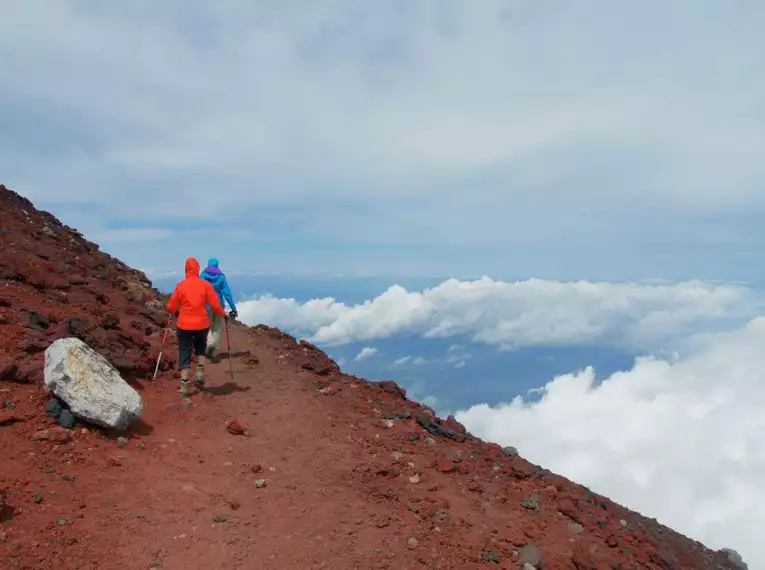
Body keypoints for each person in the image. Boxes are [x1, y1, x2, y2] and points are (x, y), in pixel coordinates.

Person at [166, 257, 227, 397]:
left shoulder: (181, 285)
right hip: (202, 324)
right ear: (198, 269)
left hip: (184, 325)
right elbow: (215, 305)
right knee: (200, 348)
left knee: (184, 352)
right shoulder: (205, 285)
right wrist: (224, 314)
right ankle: (199, 374)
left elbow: (171, 306)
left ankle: (184, 387)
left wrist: (172, 310)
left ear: (186, 269)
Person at [200, 257, 238, 361]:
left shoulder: (203, 276)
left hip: (206, 305)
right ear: (217, 265)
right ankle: (214, 352)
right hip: (219, 305)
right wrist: (233, 308)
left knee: (206, 327)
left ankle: (209, 344)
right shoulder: (221, 277)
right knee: (217, 328)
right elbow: (227, 293)